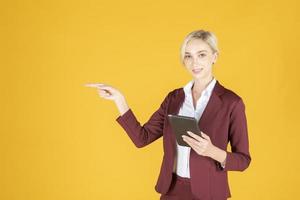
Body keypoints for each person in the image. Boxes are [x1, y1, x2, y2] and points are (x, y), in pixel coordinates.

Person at [85, 29, 251, 200]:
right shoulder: (174, 98)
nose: (194, 62)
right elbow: (142, 138)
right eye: (188, 56)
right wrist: (119, 99)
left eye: (201, 55)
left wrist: (212, 151)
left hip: (209, 194)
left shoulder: (232, 103)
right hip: (172, 191)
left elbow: (243, 160)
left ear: (214, 57)